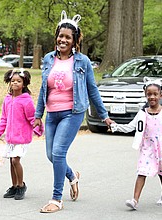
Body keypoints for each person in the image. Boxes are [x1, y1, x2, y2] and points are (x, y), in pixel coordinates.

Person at [34, 10, 114, 213]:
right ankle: (72, 176)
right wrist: (37, 115)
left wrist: (104, 115)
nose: (63, 40)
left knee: (59, 152)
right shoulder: (48, 59)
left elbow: (92, 89)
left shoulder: (82, 61)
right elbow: (44, 88)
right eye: (61, 36)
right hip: (52, 113)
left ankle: (56, 198)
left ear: (75, 40)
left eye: (68, 37)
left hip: (72, 112)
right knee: (52, 155)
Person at [111, 78, 162, 210]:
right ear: (145, 95)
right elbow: (130, 127)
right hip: (147, 149)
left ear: (160, 95)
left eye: (155, 94)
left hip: (161, 148)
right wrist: (115, 126)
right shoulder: (142, 114)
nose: (152, 97)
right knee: (142, 172)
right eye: (149, 94)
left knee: (161, 173)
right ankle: (135, 200)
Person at [0, 68, 43, 200]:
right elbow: (4, 118)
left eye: (18, 81)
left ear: (24, 84)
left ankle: (21, 186)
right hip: (10, 137)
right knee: (11, 161)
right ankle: (14, 186)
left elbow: (33, 118)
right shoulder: (7, 99)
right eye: (13, 81)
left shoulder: (26, 100)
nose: (15, 83)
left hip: (22, 137)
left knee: (16, 160)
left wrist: (38, 129)